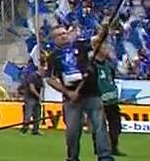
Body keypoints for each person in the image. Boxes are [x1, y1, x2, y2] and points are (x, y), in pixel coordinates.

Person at [46, 25, 113, 161]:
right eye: (59, 35)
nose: (64, 36)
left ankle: (104, 156)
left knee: (99, 126)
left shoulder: (80, 45)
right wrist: (67, 92)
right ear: (54, 39)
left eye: (65, 33)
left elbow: (97, 40)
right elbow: (50, 79)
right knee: (72, 131)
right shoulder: (53, 57)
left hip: (91, 92)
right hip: (71, 97)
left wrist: (103, 32)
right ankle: (73, 157)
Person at [94, 44, 124, 156]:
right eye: (105, 48)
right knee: (99, 126)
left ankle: (114, 147)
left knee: (116, 125)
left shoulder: (109, 66)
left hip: (112, 101)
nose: (108, 50)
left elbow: (111, 81)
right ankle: (99, 148)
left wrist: (115, 94)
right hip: (99, 101)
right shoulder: (92, 66)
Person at [18, 61, 43, 136]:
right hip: (30, 98)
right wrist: (39, 96)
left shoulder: (40, 78)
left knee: (37, 115)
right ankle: (24, 130)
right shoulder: (32, 76)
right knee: (28, 115)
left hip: (36, 98)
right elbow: (32, 88)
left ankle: (35, 130)